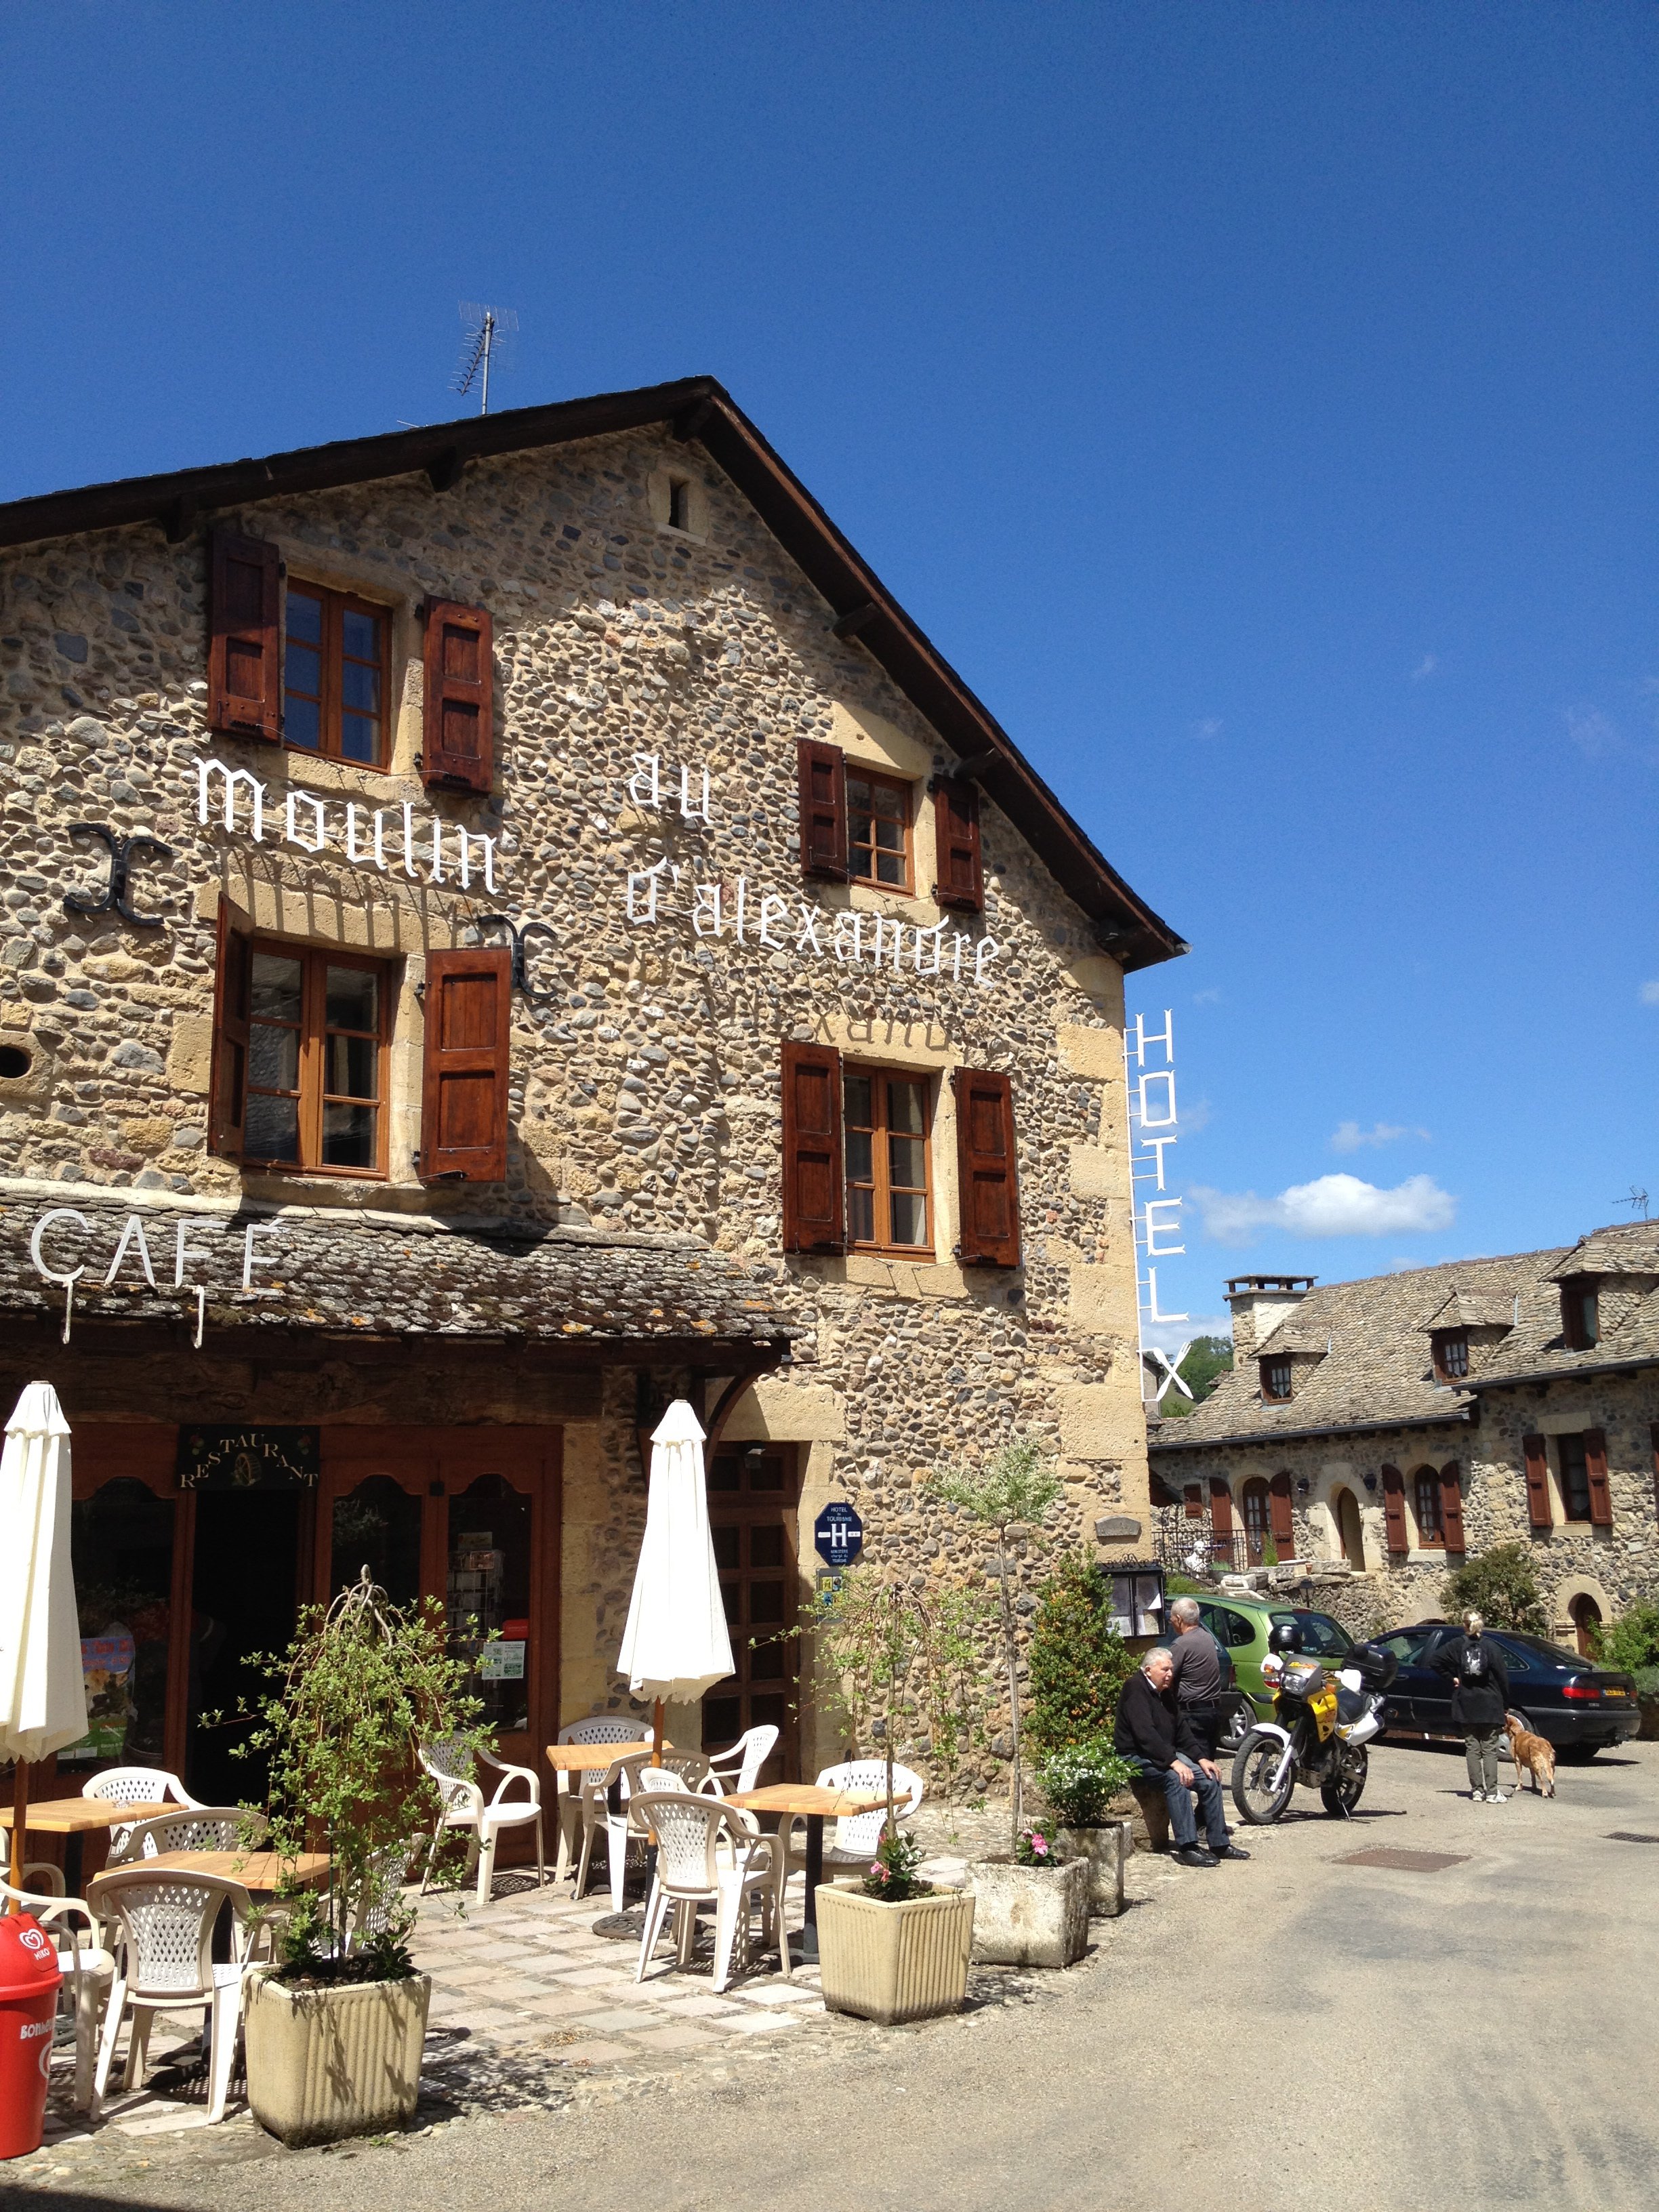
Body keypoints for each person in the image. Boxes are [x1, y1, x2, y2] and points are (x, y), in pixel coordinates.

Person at [1114, 1645, 1250, 1867]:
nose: (1170, 1674)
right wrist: (1175, 1762)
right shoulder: (1134, 1688)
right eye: (1164, 1670)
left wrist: (1201, 1758)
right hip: (1134, 1756)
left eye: (1171, 1669)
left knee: (1210, 1778)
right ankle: (1188, 1847)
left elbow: (1181, 1729)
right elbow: (1145, 1735)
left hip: (1161, 1755)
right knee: (1176, 1779)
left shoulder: (1165, 1692)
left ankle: (1219, 1843)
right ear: (1148, 1670)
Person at [1432, 1610, 1511, 1801]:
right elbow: (1502, 1677)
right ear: (1481, 1624)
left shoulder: (1457, 1645)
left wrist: (1453, 1678)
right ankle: (1492, 1792)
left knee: (1472, 1748)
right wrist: (1505, 1703)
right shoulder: (1491, 1646)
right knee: (1490, 1749)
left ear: (1464, 1625)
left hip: (1466, 1702)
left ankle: (1477, 1791)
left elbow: (1435, 1661)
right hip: (1490, 1703)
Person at [1166, 1595, 1231, 1758]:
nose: (1171, 1621)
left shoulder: (1181, 1644)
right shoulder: (1208, 1638)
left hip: (1192, 1714)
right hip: (1213, 1711)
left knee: (1195, 1765)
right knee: (1207, 1760)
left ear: (1179, 1619)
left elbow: (1167, 1678)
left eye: (1171, 1618)